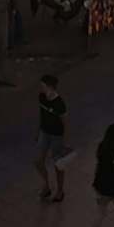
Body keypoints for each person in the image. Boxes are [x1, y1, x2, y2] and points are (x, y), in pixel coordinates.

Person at [35, 73, 69, 202]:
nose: (41, 88)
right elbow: (41, 115)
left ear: (50, 87)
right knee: (38, 161)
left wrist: (64, 140)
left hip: (56, 136)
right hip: (44, 133)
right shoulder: (41, 97)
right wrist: (38, 131)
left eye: (43, 86)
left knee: (58, 165)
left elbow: (64, 122)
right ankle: (46, 185)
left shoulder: (59, 103)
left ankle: (60, 191)